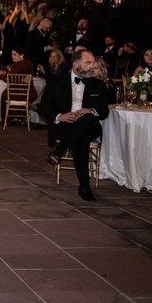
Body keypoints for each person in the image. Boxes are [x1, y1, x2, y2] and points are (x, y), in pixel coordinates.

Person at [41, 49, 109, 201]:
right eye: (88, 63)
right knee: (82, 140)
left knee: (86, 119)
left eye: (93, 63)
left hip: (89, 125)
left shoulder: (98, 85)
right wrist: (60, 116)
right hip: (65, 125)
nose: (92, 66)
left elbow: (104, 112)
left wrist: (89, 110)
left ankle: (60, 149)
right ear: (75, 64)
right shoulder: (56, 81)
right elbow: (44, 107)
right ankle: (84, 186)